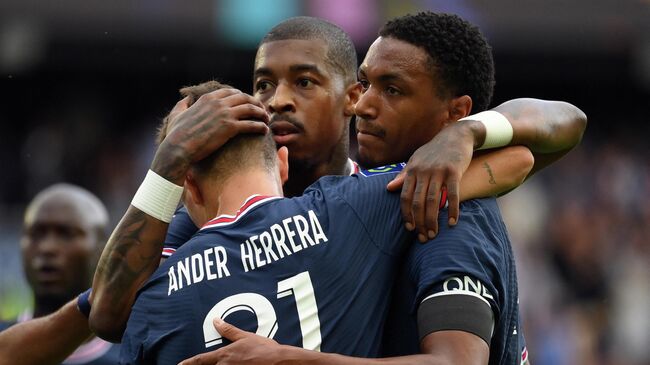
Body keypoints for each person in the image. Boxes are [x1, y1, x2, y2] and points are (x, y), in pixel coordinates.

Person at [116, 82, 521, 364]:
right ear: (282, 161)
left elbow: (104, 314)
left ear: (188, 185)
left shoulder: (153, 294)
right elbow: (517, 161)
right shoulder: (349, 208)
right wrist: (460, 136)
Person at [0, 184, 120, 364]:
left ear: (104, 249)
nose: (47, 248)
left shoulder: (136, 351)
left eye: (66, 234)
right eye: (35, 233)